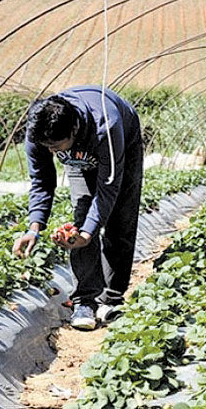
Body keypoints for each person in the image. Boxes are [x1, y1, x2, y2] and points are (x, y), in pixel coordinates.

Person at [12, 86, 143, 330]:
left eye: (56, 147)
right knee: (82, 216)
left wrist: (88, 234)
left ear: (73, 129)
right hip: (80, 154)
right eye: (47, 147)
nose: (51, 152)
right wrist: (34, 228)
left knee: (120, 217)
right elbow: (42, 181)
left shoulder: (107, 124)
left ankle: (112, 298)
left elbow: (108, 186)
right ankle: (85, 300)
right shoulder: (38, 131)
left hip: (123, 139)